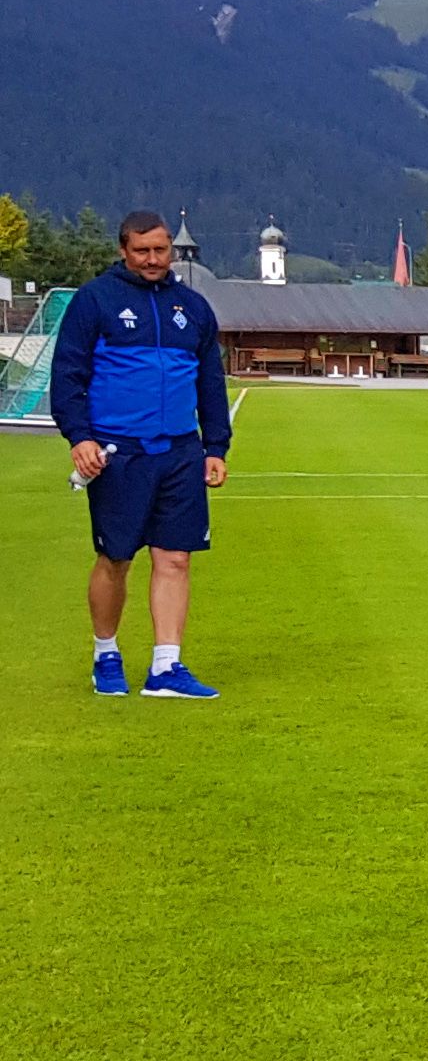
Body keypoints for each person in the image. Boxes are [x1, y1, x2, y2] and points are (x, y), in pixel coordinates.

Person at [49, 210, 231, 699]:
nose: (153, 259)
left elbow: (209, 382)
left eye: (161, 250)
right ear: (123, 250)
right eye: (143, 251)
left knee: (175, 559)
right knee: (116, 557)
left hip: (180, 453)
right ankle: (105, 653)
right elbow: (67, 376)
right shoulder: (95, 301)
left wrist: (215, 446)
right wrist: (79, 437)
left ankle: (166, 668)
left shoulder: (193, 308)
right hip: (117, 454)